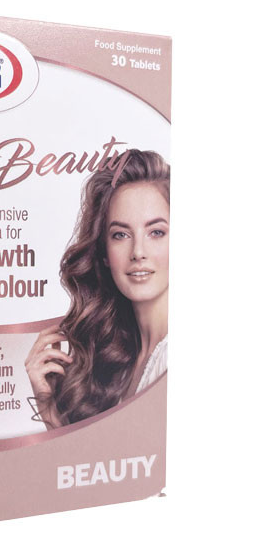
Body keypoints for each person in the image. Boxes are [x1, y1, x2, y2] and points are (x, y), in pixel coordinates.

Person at [26, 149, 169, 428]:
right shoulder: (120, 360)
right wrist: (51, 414)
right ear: (104, 253)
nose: (138, 252)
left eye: (156, 232)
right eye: (120, 235)